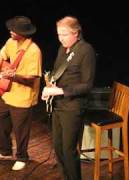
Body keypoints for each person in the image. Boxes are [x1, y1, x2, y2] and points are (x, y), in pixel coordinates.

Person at [41, 16, 96, 179]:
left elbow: (87, 85)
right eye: (58, 34)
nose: (61, 38)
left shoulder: (86, 50)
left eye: (64, 34)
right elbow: (57, 75)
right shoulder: (62, 49)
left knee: (68, 150)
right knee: (58, 148)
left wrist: (60, 91)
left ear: (76, 33)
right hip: (58, 105)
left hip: (73, 107)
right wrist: (49, 88)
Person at [0, 16, 42, 171]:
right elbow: (2, 54)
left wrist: (14, 76)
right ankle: (4, 151)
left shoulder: (33, 51)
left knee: (21, 130)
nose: (10, 31)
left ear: (22, 33)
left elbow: (31, 79)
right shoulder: (11, 42)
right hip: (8, 92)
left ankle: (22, 157)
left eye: (13, 30)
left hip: (23, 97)